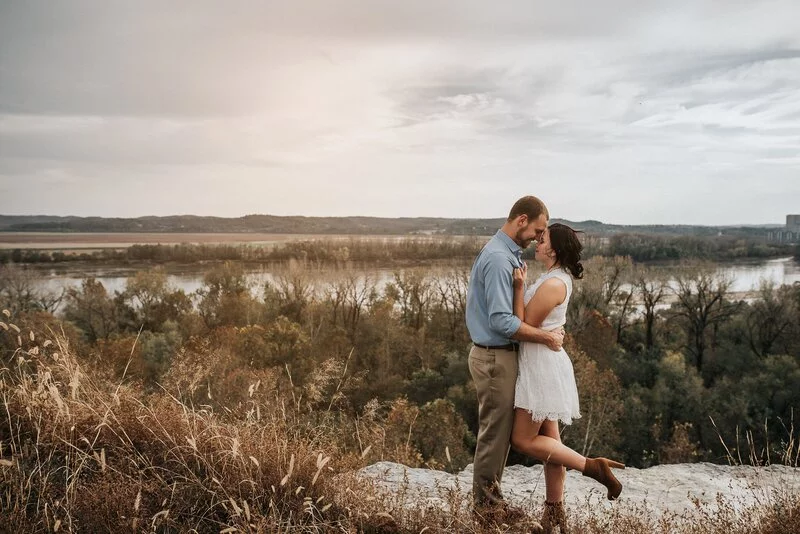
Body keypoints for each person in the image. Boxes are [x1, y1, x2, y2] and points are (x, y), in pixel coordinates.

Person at [511, 223, 625, 533]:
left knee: (522, 439)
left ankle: (593, 467)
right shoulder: (553, 277)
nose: (537, 240)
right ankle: (554, 511)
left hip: (541, 367)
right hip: (541, 361)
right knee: (551, 445)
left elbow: (523, 324)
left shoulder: (553, 284)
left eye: (542, 238)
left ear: (555, 249)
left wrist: (519, 287)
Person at [465, 196, 565, 527]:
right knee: (495, 433)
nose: (539, 237)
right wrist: (547, 338)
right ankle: (487, 509)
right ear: (521, 220)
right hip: (495, 357)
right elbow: (500, 322)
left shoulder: (508, 255)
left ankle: (494, 501)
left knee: (501, 431)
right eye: (537, 230)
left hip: (503, 356)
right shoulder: (497, 258)